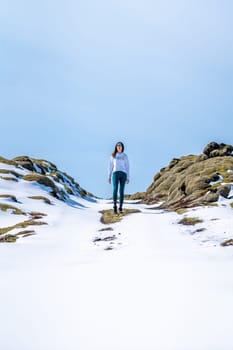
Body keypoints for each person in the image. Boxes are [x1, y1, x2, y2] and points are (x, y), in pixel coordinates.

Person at [108, 141, 130, 214]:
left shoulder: (125, 156)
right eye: (117, 146)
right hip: (115, 174)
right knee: (115, 189)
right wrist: (109, 176)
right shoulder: (113, 155)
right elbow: (110, 166)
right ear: (116, 147)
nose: (119, 147)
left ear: (122, 147)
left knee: (121, 191)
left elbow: (127, 167)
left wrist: (128, 177)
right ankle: (114, 206)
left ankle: (120, 207)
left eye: (120, 146)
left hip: (123, 174)